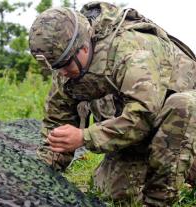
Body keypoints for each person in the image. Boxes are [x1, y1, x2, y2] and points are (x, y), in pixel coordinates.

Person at [28, 2, 196, 206]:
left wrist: (84, 137)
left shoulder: (129, 50)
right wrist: (37, 172)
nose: (62, 73)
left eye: (65, 65)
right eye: (56, 68)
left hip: (181, 128)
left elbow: (142, 117)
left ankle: (160, 200)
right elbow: (57, 121)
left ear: (83, 45)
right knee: (113, 194)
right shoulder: (65, 63)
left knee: (184, 105)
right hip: (137, 136)